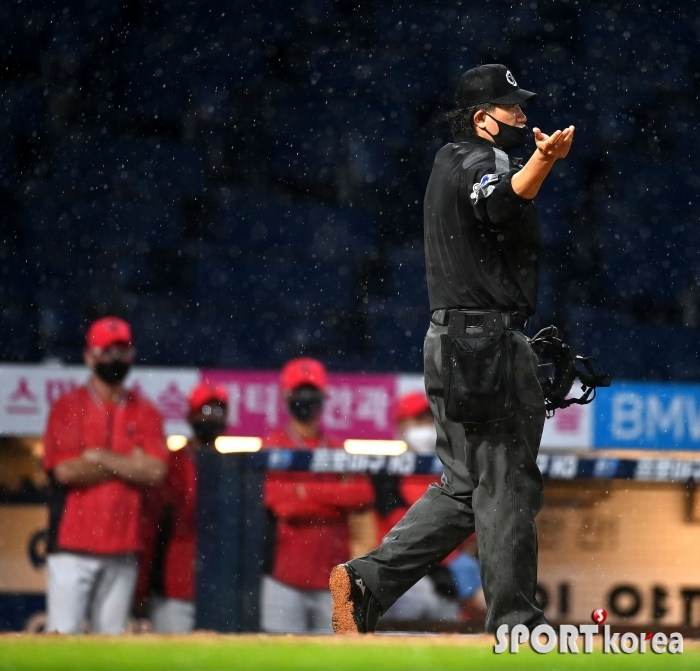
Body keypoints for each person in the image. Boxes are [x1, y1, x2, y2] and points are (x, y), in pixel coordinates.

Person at [330, 63, 574, 635]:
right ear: (482, 119)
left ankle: (368, 582)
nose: (523, 116)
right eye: (512, 108)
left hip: (452, 339)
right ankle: (516, 623)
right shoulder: (478, 159)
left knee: (466, 486)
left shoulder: (447, 161)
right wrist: (543, 159)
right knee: (507, 483)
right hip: (484, 342)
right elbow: (496, 202)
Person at [43, 316, 169, 634]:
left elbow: (155, 470)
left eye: (122, 352)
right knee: (62, 643)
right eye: (107, 352)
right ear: (89, 356)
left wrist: (99, 456)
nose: (115, 360)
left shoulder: (146, 411)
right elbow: (66, 469)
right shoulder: (67, 407)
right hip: (71, 547)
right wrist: (130, 464)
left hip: (123, 547)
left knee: (110, 651)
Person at [261, 357, 375, 634]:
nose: (305, 398)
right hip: (283, 579)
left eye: (311, 391)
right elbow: (283, 506)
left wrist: (305, 493)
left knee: (335, 663)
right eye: (299, 391)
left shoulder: (337, 447)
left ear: (323, 396)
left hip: (334, 580)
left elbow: (363, 495)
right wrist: (338, 500)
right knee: (280, 663)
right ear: (285, 396)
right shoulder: (273, 445)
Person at [136, 382, 229, 633]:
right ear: (189, 416)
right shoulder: (172, 463)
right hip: (172, 584)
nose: (210, 418)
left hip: (217, 588)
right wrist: (142, 586)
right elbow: (150, 529)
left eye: (218, 412)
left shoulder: (229, 467)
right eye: (204, 411)